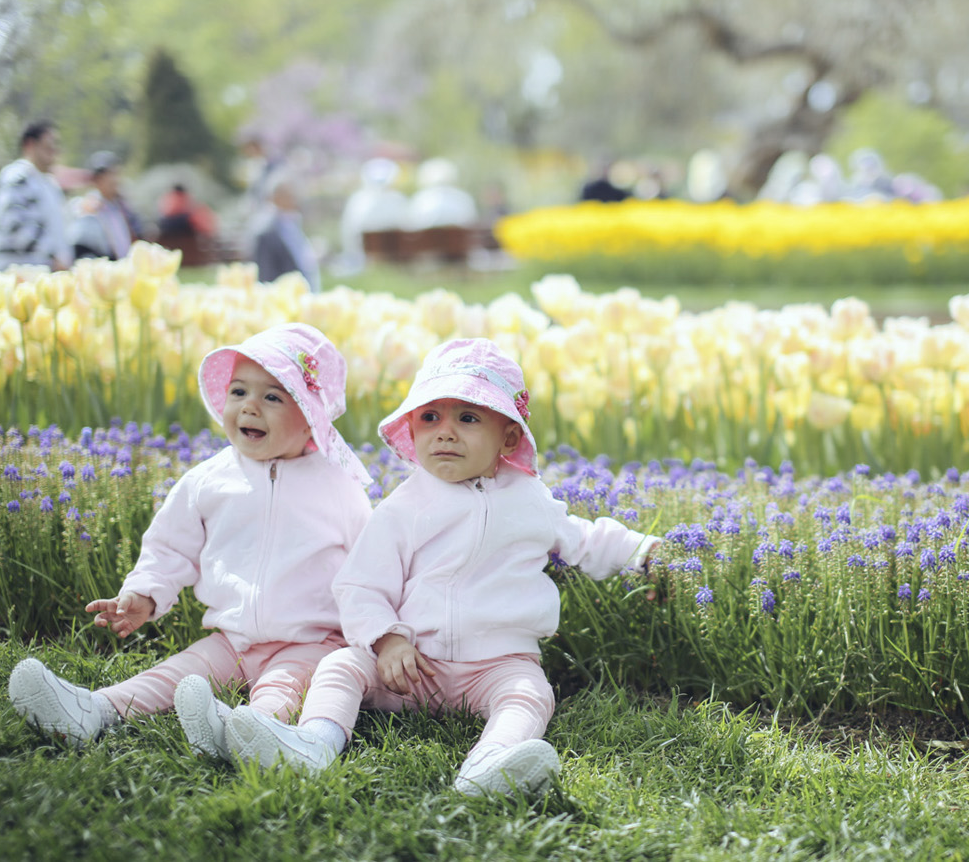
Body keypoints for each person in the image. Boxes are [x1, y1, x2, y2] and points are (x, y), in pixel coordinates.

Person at [224, 338, 661, 797]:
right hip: (414, 667)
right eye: (430, 417)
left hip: (497, 664)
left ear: (508, 436)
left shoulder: (531, 500)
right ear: (412, 429)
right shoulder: (405, 506)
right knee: (341, 666)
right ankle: (315, 741)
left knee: (529, 694)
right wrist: (388, 640)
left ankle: (490, 764)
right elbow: (360, 583)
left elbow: (588, 540)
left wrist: (647, 553)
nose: (445, 432)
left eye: (467, 418)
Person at [8, 323, 374, 756]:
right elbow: (169, 546)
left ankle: (254, 729)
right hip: (231, 636)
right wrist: (145, 593)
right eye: (238, 392)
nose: (249, 408)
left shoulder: (339, 488)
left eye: (272, 397)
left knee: (282, 686)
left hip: (311, 640)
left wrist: (375, 635)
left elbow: (369, 567)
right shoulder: (210, 479)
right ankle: (93, 709)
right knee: (178, 674)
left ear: (312, 417)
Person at [0, 119, 72, 271]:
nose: (54, 151)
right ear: (30, 145)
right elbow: (15, 226)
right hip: (15, 274)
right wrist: (52, 258)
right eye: (49, 146)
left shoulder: (49, 183)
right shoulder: (17, 176)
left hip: (42, 273)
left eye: (56, 146)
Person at [69, 151, 146, 260]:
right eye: (109, 175)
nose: (115, 179)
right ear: (97, 180)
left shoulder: (121, 205)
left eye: (116, 174)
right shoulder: (90, 206)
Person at [250, 173, 321, 290]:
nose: (295, 198)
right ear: (276, 197)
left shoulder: (293, 223)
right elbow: (266, 277)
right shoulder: (267, 231)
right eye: (289, 195)